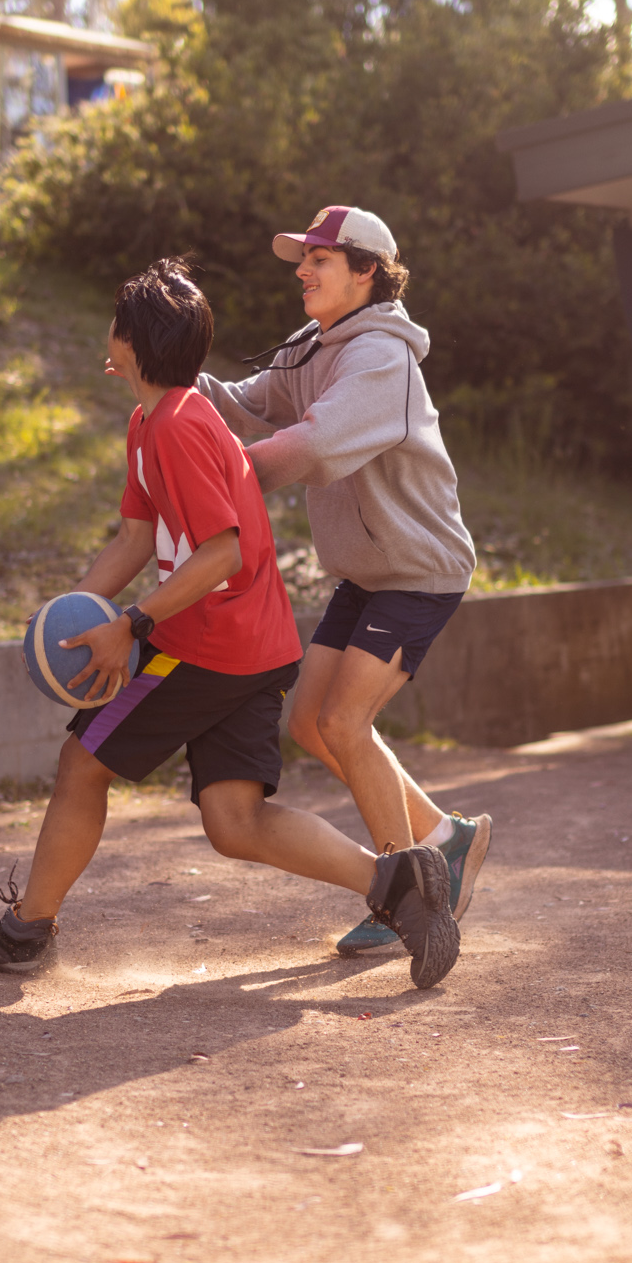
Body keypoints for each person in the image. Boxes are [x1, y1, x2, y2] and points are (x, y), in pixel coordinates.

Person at [0, 258, 459, 990]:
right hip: (254, 647)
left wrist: (133, 626)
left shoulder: (180, 427)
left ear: (131, 340)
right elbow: (132, 538)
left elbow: (222, 552)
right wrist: (70, 612)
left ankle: (27, 929)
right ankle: (399, 887)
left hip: (205, 646)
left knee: (83, 764)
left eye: (116, 323)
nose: (108, 334)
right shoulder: (152, 422)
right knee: (234, 822)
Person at [195, 206, 492, 958]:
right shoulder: (312, 344)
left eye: (319, 260)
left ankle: (413, 894)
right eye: (302, 258)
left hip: (417, 570)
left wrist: (232, 471)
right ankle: (445, 840)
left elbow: (319, 440)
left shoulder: (380, 358)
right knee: (309, 724)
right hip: (366, 571)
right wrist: (176, 383)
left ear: (367, 272)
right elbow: (250, 401)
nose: (301, 270)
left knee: (342, 724)